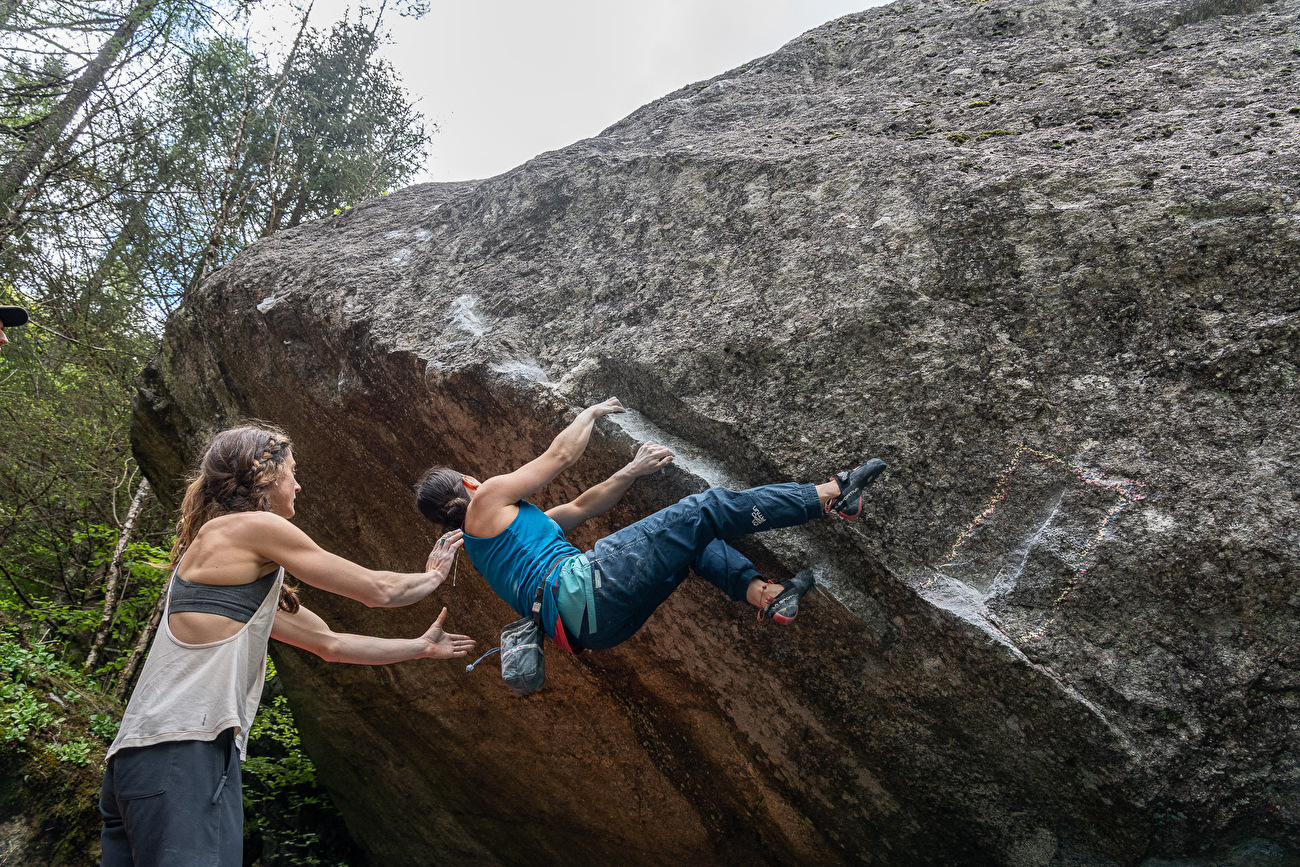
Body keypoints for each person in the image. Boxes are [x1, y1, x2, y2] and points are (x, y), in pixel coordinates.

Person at [100, 423, 473, 867]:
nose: (298, 484)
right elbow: (378, 591)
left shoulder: (229, 562)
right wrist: (432, 576)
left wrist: (420, 647)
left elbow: (330, 644)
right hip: (186, 754)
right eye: (291, 471)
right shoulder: (252, 528)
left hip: (135, 763)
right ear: (265, 472)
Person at [415, 398, 885, 654]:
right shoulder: (489, 498)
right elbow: (558, 456)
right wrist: (590, 413)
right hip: (586, 589)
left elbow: (579, 507)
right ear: (468, 482)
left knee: (689, 544)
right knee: (706, 509)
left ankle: (766, 595)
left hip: (594, 631)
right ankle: (830, 495)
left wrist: (630, 472)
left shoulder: (486, 544)